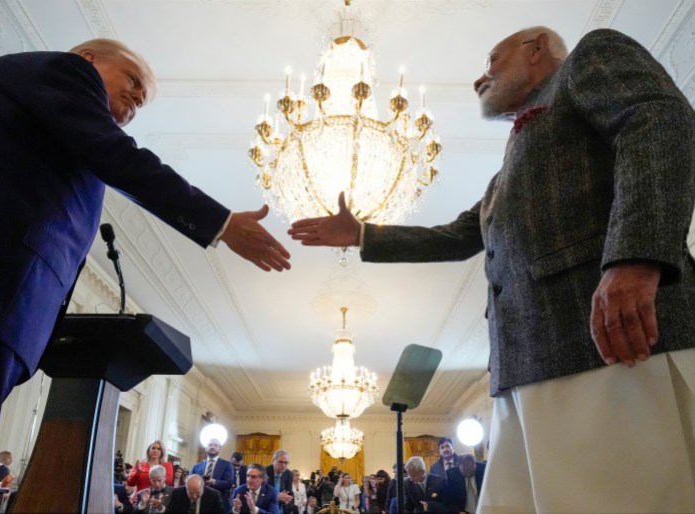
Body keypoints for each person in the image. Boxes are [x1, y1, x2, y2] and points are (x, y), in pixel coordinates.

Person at [289, 25, 695, 513]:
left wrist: (636, 258)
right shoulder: (505, 175)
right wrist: (362, 235)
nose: (479, 79)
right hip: (520, 369)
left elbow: (658, 120)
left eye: (492, 61)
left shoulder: (590, 57)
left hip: (605, 342)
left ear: (536, 48)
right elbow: (460, 236)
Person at [0, 37, 291, 514]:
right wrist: (219, 221)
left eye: (142, 99)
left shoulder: (61, 130)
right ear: (88, 59)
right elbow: (119, 157)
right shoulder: (62, 73)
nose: (138, 100)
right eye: (134, 82)